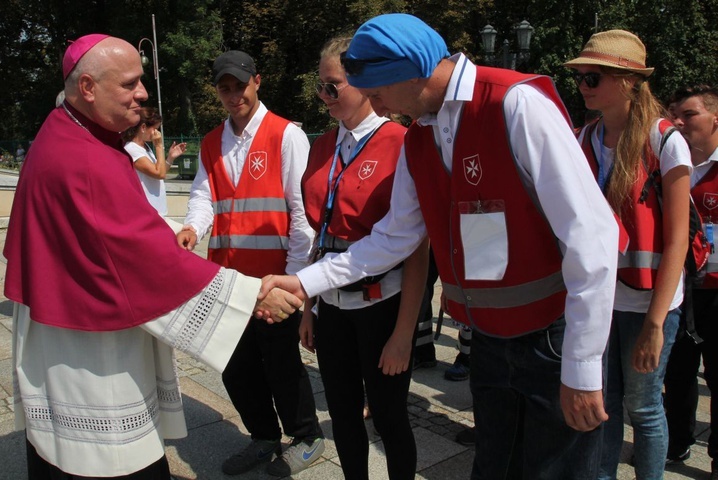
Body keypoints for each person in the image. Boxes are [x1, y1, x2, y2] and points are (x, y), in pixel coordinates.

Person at [261, 13, 619, 479]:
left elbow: (590, 236)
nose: (375, 104)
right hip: (490, 338)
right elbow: (394, 237)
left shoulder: (514, 103)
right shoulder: (421, 135)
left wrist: (583, 365)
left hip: (550, 335)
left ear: (409, 68)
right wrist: (304, 282)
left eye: (376, 90)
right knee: (493, 466)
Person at [3, 34, 301, 479]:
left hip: (268, 268)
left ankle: (302, 433)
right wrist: (251, 295)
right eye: (129, 83)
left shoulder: (69, 131)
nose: (142, 93)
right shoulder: (85, 158)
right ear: (87, 87)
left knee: (282, 368)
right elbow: (137, 256)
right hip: (89, 352)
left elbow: (127, 232)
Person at [175, 50, 324, 477]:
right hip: (225, 278)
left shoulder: (286, 135)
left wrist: (295, 280)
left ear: (257, 82)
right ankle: (262, 437)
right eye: (224, 87)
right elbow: (204, 196)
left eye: (239, 85)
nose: (232, 94)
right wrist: (192, 227)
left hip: (272, 278)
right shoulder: (211, 141)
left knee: (280, 362)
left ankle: (307, 435)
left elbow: (301, 214)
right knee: (234, 363)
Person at [564, 30, 692, 480]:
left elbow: (677, 239)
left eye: (593, 76)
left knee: (643, 406)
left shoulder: (663, 140)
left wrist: (656, 325)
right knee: (602, 403)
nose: (583, 85)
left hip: (647, 303)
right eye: (579, 76)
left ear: (629, 80)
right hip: (599, 298)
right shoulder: (584, 138)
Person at [299, 36, 428, 479]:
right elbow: (319, 231)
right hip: (332, 305)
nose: (324, 96)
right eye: (321, 87)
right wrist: (309, 306)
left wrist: (404, 334)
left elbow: (417, 250)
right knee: (343, 414)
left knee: (391, 419)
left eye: (332, 86)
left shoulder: (401, 142)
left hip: (382, 308)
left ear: (361, 83)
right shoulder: (322, 146)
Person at [664, 84, 718, 479]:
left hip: (716, 290)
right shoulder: (669, 165)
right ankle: (676, 440)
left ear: (715, 118)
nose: (679, 122)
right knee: (676, 372)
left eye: (689, 114)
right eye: (674, 114)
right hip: (679, 288)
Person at [122, 107, 186, 231]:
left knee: (185, 235)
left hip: (157, 212)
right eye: (155, 129)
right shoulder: (132, 149)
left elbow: (159, 171)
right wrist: (159, 146)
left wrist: (170, 158)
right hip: (147, 214)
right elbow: (159, 173)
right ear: (143, 127)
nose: (157, 133)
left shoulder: (145, 147)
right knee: (184, 235)